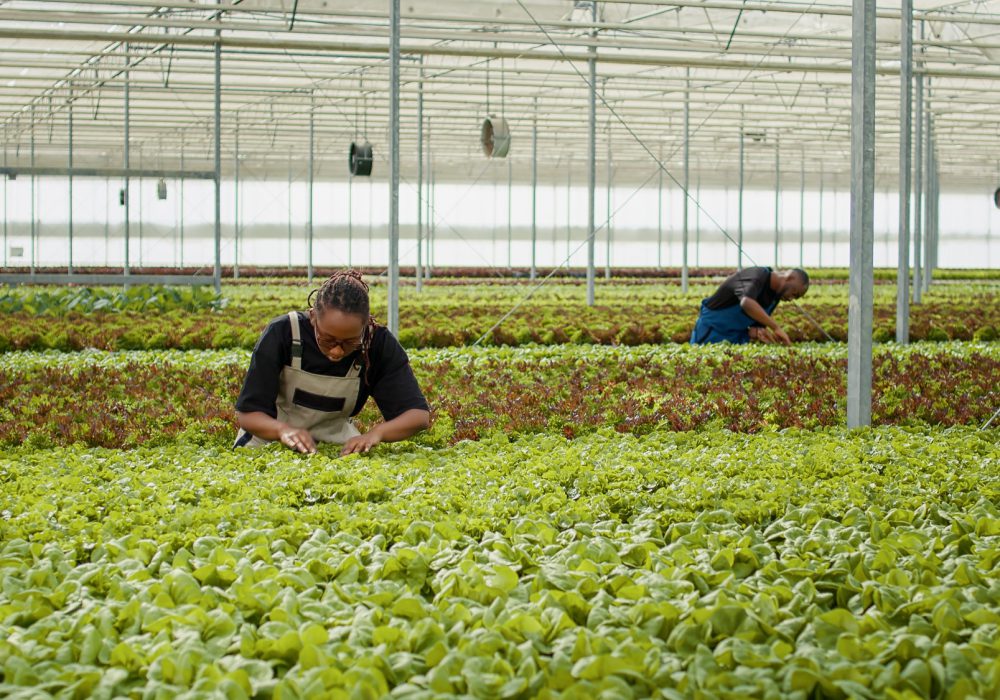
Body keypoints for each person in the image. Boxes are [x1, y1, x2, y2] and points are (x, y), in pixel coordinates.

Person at [234, 270, 430, 455]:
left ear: (365, 327)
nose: (337, 350)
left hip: (336, 446)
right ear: (313, 317)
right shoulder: (284, 332)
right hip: (269, 442)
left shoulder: (377, 344)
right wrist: (283, 431)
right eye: (328, 340)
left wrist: (375, 434)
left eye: (350, 342)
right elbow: (248, 414)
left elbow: (417, 416)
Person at [690, 267, 809, 345]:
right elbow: (746, 302)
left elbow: (754, 328)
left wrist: (764, 336)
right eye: (794, 293)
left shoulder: (774, 298)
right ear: (790, 277)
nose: (791, 299)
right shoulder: (758, 275)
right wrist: (776, 327)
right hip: (710, 331)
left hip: (734, 339)